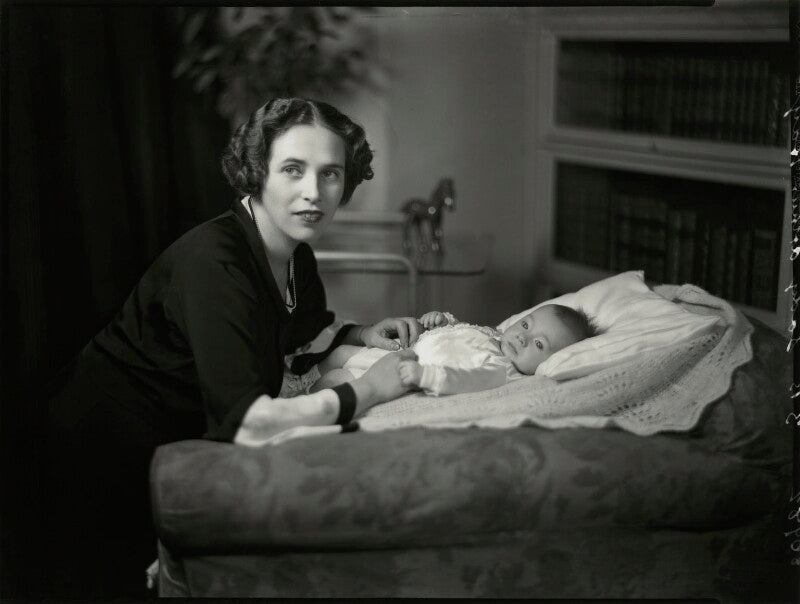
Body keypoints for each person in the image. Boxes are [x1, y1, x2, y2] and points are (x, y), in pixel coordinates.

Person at [44, 97, 420, 599]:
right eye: (293, 169)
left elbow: (301, 332)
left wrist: (361, 334)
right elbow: (246, 421)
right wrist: (367, 390)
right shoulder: (215, 262)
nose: (313, 192)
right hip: (94, 453)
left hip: (165, 449)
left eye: (330, 173)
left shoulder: (295, 258)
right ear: (257, 172)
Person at [312, 304, 598, 397]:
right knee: (340, 353)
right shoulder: (494, 334)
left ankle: (304, 402)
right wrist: (442, 320)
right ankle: (298, 384)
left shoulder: (500, 369)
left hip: (403, 371)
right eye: (526, 325)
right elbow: (461, 331)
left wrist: (426, 376)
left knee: (337, 381)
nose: (523, 337)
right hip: (400, 351)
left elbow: (464, 379)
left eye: (539, 344)